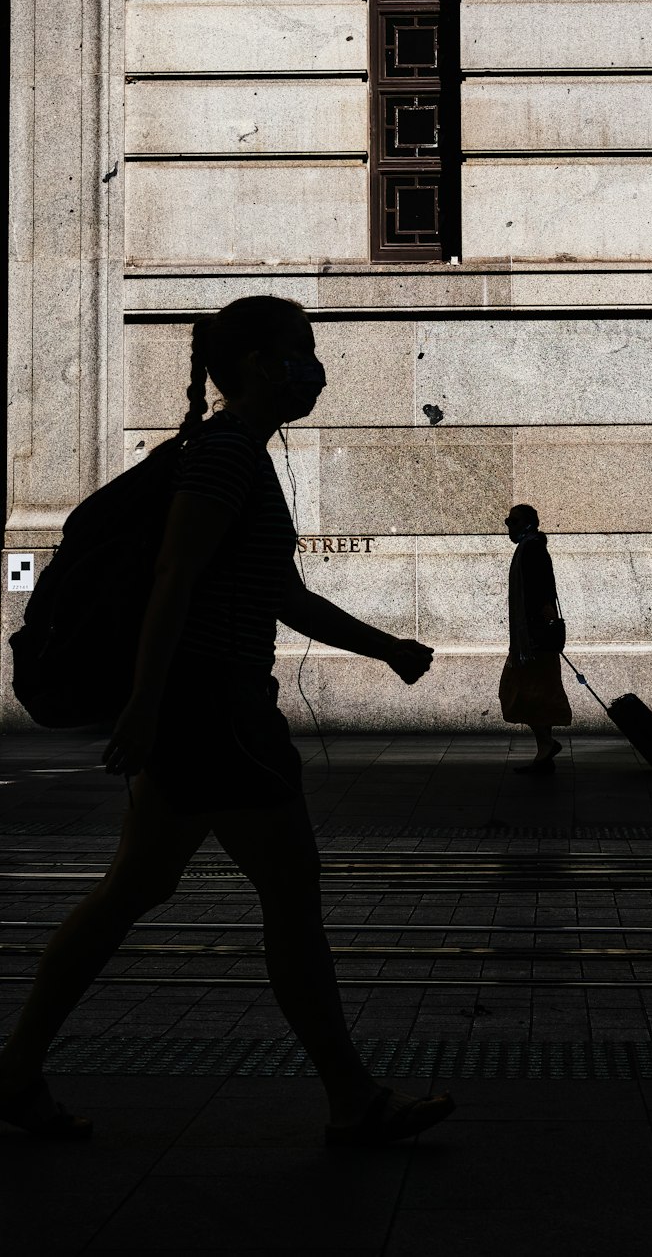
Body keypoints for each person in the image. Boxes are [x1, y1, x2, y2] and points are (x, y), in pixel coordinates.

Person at [0, 296, 455, 1146]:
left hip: (201, 709)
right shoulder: (227, 457)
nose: (315, 368)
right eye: (301, 351)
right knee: (290, 896)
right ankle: (352, 1100)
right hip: (217, 711)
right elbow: (174, 574)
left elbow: (278, 594)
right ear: (255, 364)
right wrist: (143, 702)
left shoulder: (234, 455)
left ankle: (16, 1069)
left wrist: (383, 646)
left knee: (134, 890)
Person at [500, 504, 572, 774]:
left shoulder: (532, 549)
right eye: (508, 521)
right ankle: (545, 745)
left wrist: (540, 628)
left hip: (533, 639)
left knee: (531, 691)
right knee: (531, 691)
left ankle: (545, 746)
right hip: (530, 638)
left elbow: (544, 592)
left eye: (514, 521)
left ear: (528, 523)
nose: (509, 526)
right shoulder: (529, 547)